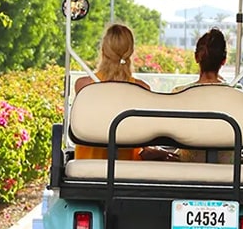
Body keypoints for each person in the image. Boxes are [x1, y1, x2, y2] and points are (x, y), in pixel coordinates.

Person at [74, 23, 177, 161]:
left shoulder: (84, 86)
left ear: (103, 50)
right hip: (128, 165)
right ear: (131, 52)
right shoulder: (142, 89)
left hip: (89, 164)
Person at [172, 28, 238, 163]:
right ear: (224, 60)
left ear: (196, 57)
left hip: (188, 164)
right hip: (229, 166)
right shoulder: (238, 94)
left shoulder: (179, 93)